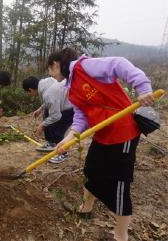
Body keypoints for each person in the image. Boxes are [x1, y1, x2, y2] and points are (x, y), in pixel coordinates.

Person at [47, 47, 154, 241]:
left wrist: (143, 88)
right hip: (102, 134)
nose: (50, 74)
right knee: (91, 171)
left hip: (123, 133)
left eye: (50, 70)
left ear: (55, 65)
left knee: (118, 184)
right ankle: (86, 208)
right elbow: (81, 119)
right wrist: (67, 139)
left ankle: (120, 235)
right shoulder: (71, 89)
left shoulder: (84, 67)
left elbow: (118, 64)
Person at [22, 76, 73, 163]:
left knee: (57, 129)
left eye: (29, 93)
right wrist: (40, 109)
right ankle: (51, 143)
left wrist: (42, 125)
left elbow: (56, 116)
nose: (30, 95)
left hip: (69, 108)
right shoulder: (46, 82)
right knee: (47, 114)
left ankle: (63, 154)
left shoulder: (48, 94)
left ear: (30, 89)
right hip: (61, 104)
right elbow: (51, 101)